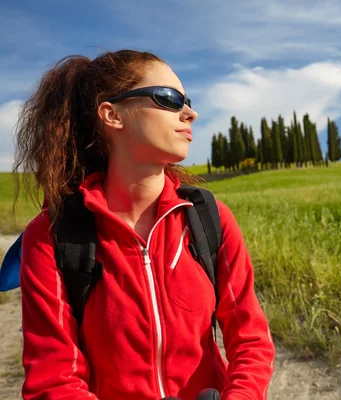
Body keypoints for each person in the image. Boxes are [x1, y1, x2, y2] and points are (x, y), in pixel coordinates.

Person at [12, 50, 276, 400]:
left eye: (188, 101)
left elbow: (251, 340)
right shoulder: (53, 235)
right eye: (169, 98)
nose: (190, 113)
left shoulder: (208, 218)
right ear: (112, 115)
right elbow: (54, 379)